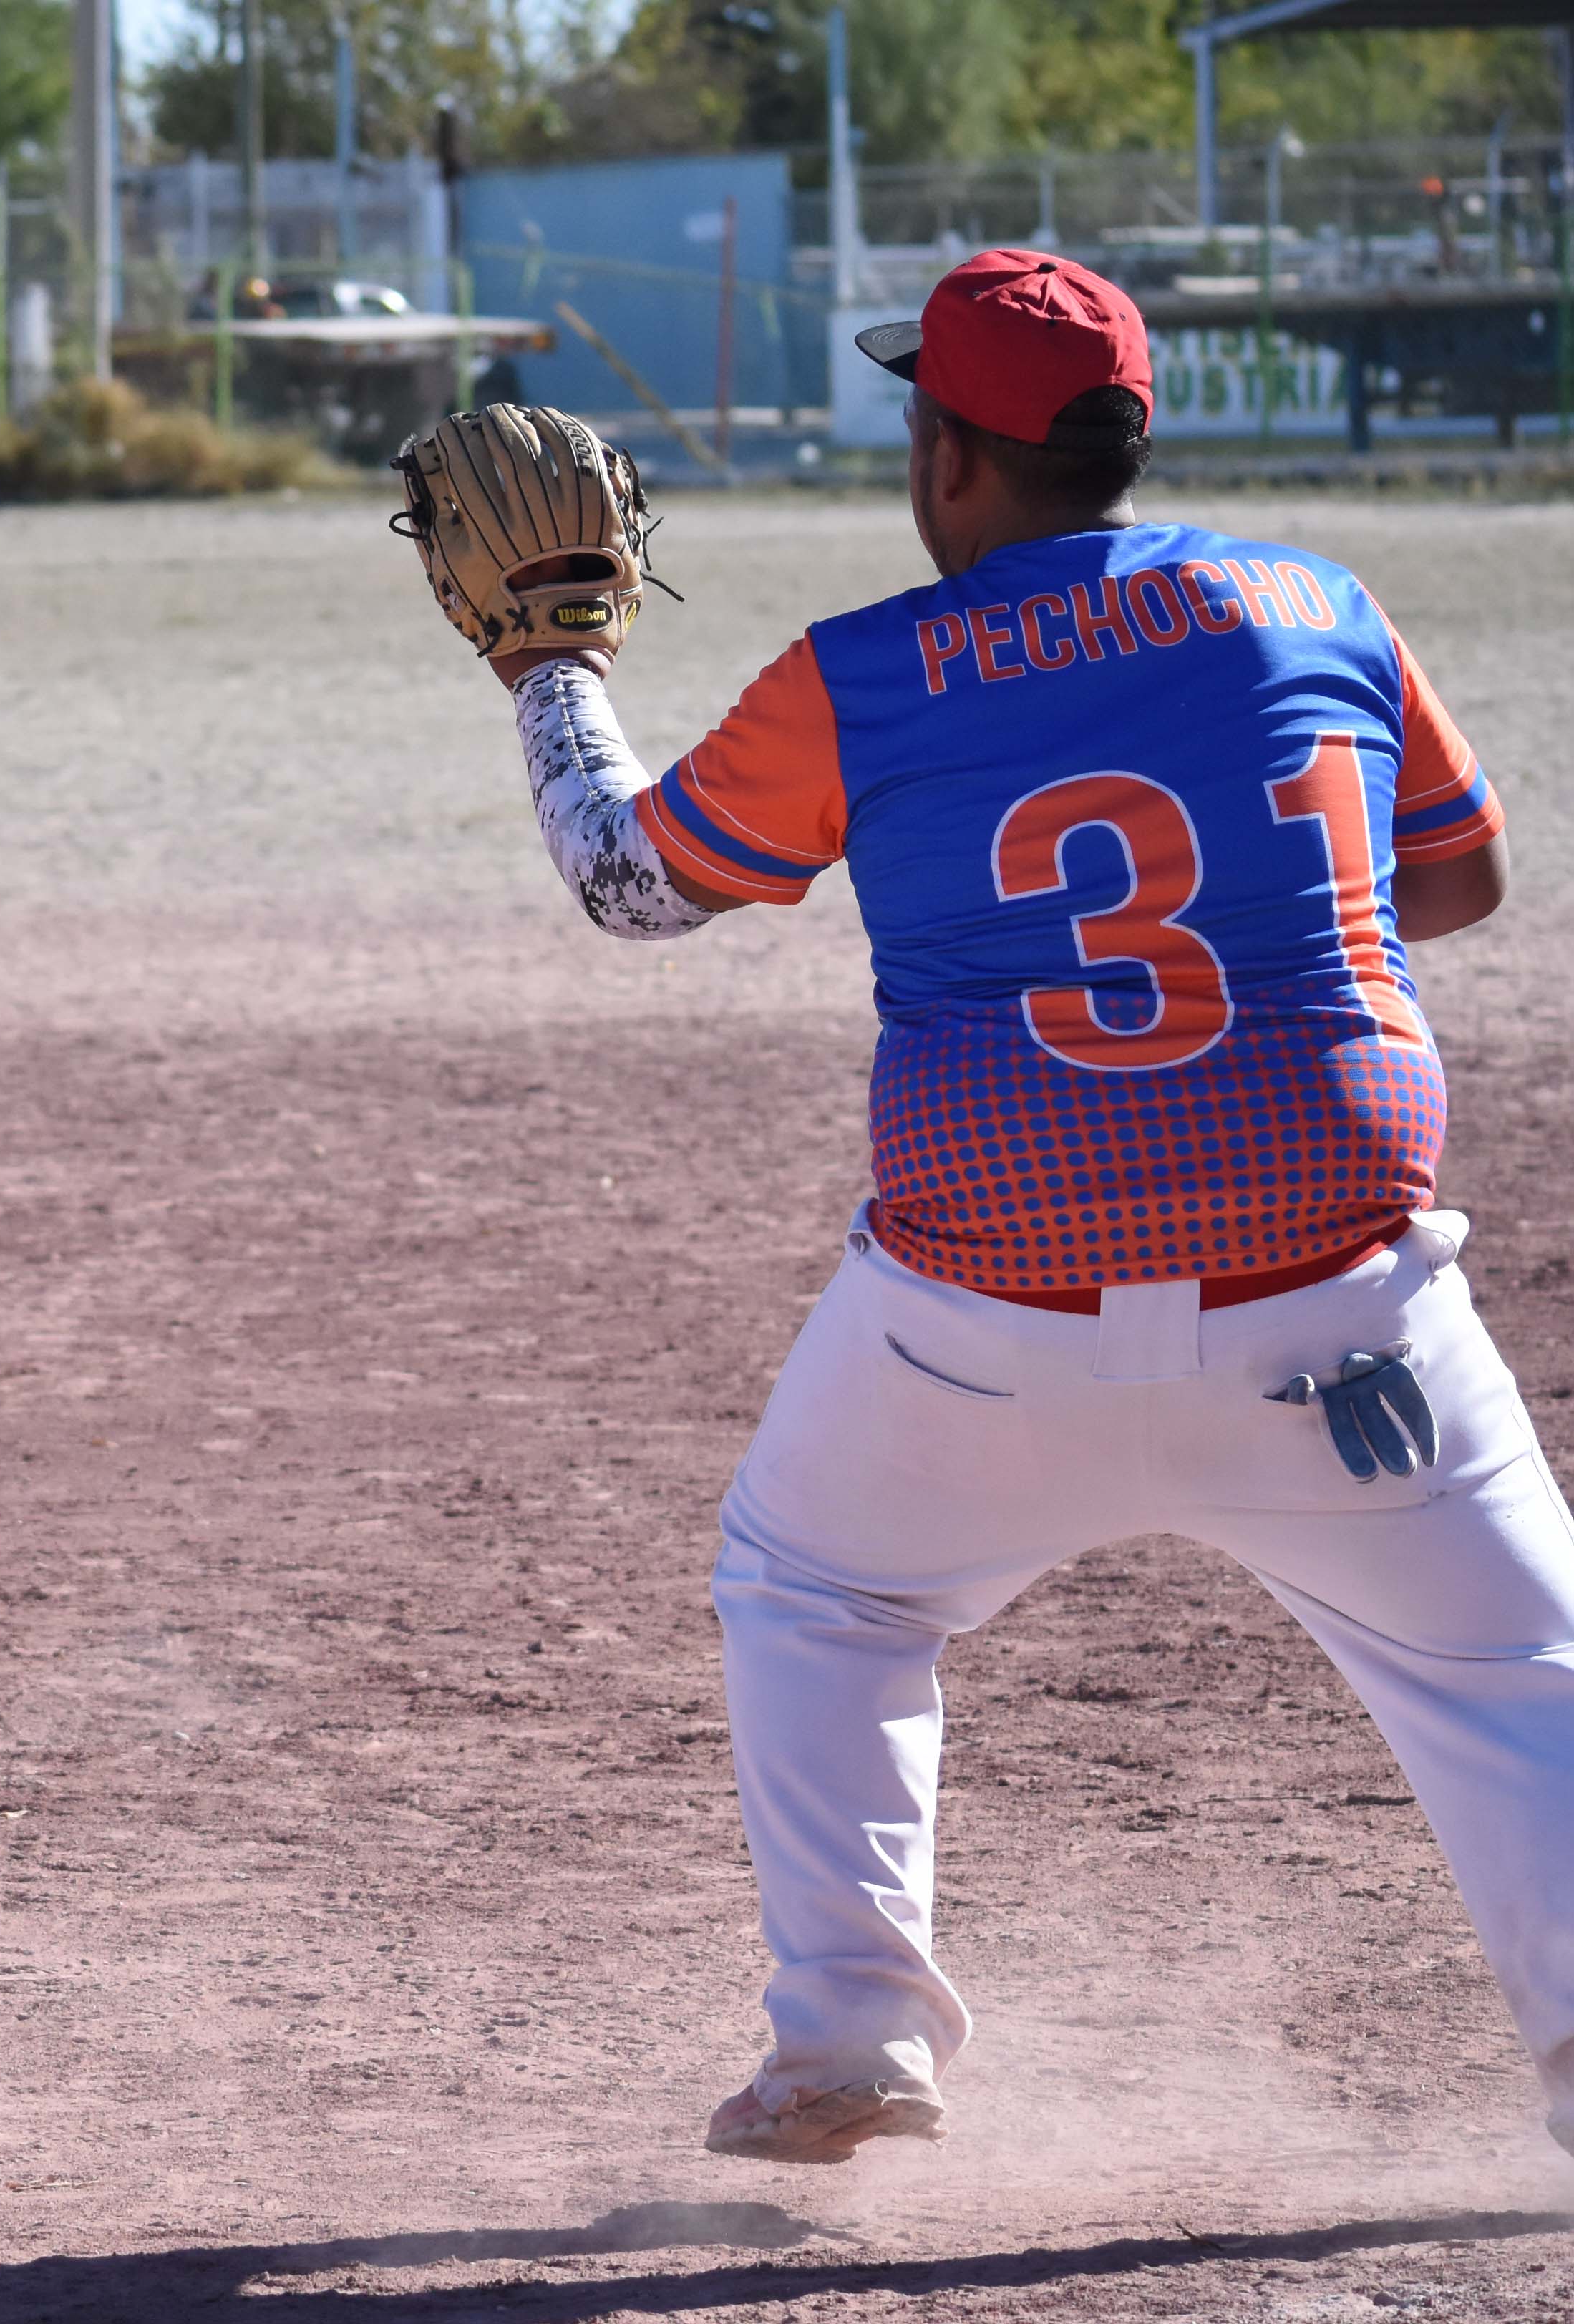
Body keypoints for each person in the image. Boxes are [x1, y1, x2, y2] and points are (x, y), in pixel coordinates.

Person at [457, 251, 1573, 2165]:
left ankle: (848, 2045)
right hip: (1344, 1313)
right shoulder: (1309, 602)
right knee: (1518, 1684)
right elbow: (1454, 885)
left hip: (980, 1330)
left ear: (948, 459)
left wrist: (551, 675)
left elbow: (631, 890)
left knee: (813, 1593)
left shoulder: (861, 671)